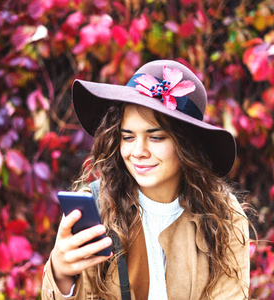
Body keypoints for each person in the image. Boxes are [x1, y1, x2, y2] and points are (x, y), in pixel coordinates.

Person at [42, 60, 250, 300]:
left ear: (188, 145)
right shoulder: (97, 209)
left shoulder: (224, 215)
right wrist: (60, 274)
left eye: (156, 137)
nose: (138, 151)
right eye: (128, 137)